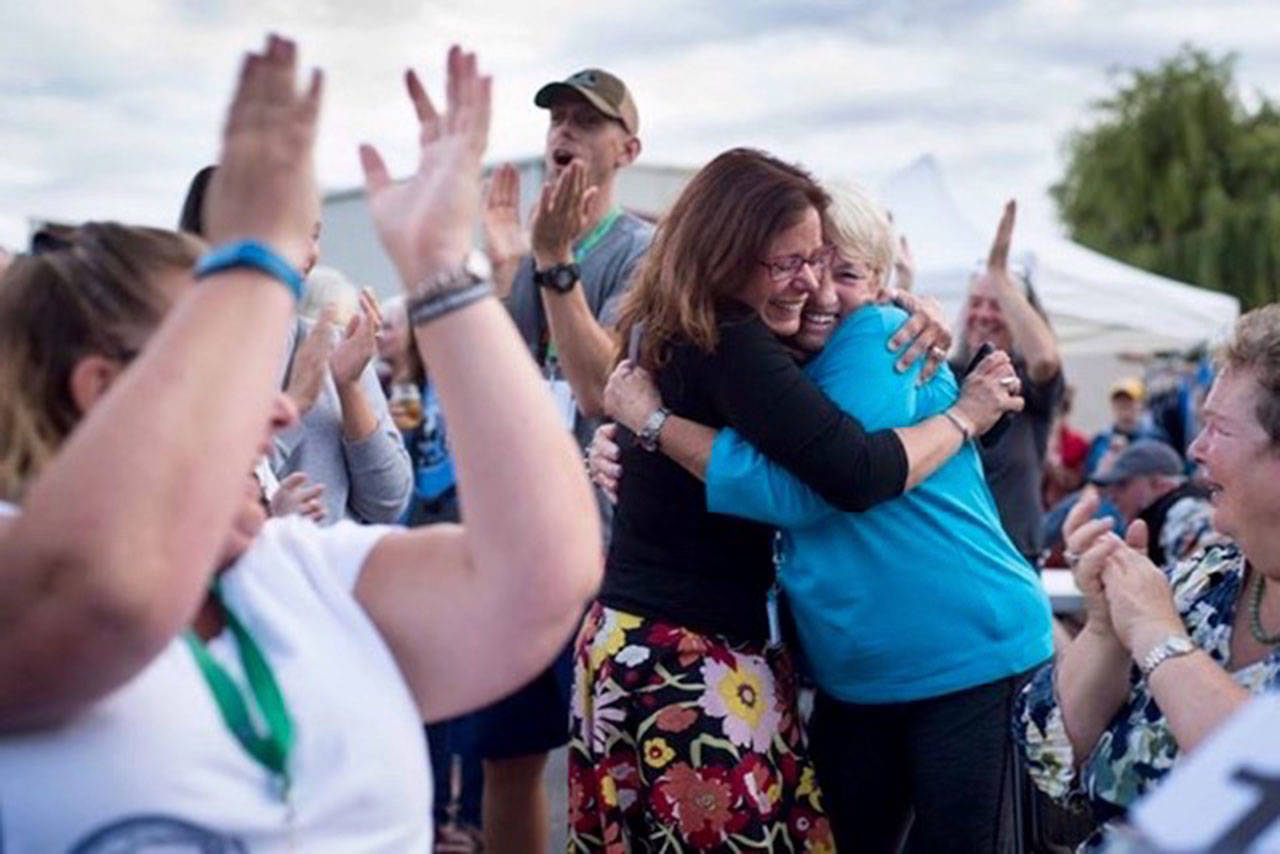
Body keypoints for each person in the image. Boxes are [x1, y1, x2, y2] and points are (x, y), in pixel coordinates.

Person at [0, 37, 600, 851]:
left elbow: (542, 576)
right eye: (229, 354)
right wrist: (255, 260)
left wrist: (439, 276)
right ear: (107, 394)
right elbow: (102, 599)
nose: (280, 412)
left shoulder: (290, 568)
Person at [592, 181, 1047, 852]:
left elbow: (809, 488)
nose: (821, 291)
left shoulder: (881, 336)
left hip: (965, 654)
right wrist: (620, 446)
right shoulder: (787, 363)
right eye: (803, 266)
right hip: (862, 677)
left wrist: (652, 423)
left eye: (846, 271)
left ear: (883, 282)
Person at [1015, 303, 1280, 851]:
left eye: (1218, 429)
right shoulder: (1210, 579)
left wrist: (1159, 637)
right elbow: (1052, 754)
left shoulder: (1172, 611)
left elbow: (1266, 792)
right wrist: (1107, 627)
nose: (1194, 450)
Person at [469, 68, 652, 854]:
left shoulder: (646, 252)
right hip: (523, 545)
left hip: (604, 552)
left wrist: (549, 265)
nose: (563, 133)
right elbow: (500, 393)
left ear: (628, 148)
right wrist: (510, 271)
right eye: (556, 120)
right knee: (506, 757)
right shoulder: (540, 247)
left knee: (603, 762)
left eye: (586, 120)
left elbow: (599, 390)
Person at [179, 163, 412, 526]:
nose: (309, 252)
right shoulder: (180, 358)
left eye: (314, 234)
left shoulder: (330, 342)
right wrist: (296, 404)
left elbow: (389, 502)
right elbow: (194, 503)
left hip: (329, 580)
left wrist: (349, 388)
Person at [951, 202, 1064, 567]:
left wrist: (999, 274)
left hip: (1012, 556)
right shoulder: (948, 375)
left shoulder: (1026, 383)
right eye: (977, 303)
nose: (984, 314)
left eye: (997, 305)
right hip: (953, 553)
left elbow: (1046, 358)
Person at [1089, 438, 1224, 571]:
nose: (1113, 497)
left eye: (1123, 485)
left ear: (1160, 484)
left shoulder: (1184, 512)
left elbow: (1210, 567)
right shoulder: (1158, 519)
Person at [1083, 377, 1170, 477]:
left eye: (1129, 403)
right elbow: (1089, 473)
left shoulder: (1155, 438)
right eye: (1119, 403)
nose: (1124, 409)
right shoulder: (1101, 438)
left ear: (1141, 405)